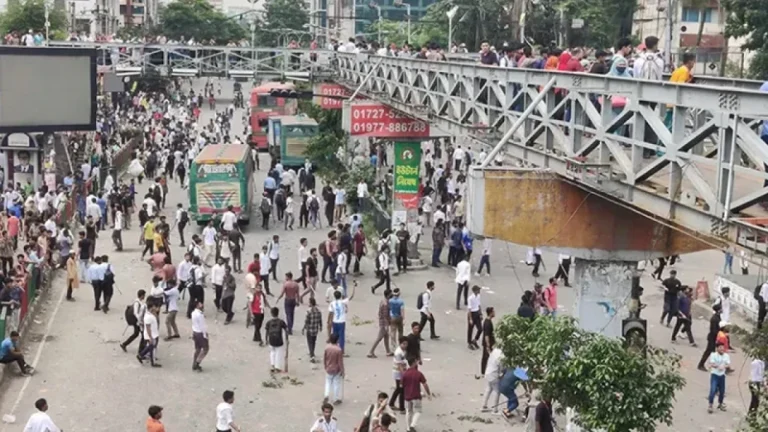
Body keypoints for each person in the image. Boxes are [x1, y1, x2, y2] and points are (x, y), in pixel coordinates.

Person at [402, 356, 432, 431]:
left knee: (408, 411)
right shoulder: (418, 373)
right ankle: (412, 425)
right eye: (416, 361)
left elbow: (401, 385)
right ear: (414, 363)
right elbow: (425, 384)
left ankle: (408, 428)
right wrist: (428, 394)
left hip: (407, 396)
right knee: (418, 411)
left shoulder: (405, 374)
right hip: (416, 396)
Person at [328, 281, 356, 352]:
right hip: (342, 321)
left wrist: (329, 321)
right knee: (341, 336)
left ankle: (333, 348)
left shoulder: (332, 303)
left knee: (335, 335)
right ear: (340, 296)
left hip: (335, 321)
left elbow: (331, 313)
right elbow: (351, 296)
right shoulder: (343, 302)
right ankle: (341, 350)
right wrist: (354, 287)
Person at [706, 342, 730, 414]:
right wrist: (718, 366)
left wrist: (724, 367)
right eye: (720, 347)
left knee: (722, 391)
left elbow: (728, 364)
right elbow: (712, 363)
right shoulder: (713, 355)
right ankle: (710, 405)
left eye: (723, 347)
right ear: (717, 348)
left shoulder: (726, 356)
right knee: (713, 390)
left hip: (722, 375)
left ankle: (720, 403)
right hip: (715, 375)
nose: (722, 349)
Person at [368, 288, 392, 358]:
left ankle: (388, 351)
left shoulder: (383, 301)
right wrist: (386, 325)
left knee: (386, 337)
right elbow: (385, 315)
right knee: (379, 338)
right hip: (384, 323)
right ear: (388, 295)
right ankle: (371, 352)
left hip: (383, 322)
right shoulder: (385, 304)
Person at [265, 306, 289, 373]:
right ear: (278, 313)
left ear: (271, 313)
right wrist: (287, 339)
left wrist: (266, 339)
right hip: (279, 340)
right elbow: (286, 330)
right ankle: (277, 367)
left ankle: (272, 365)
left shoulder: (269, 322)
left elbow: (267, 332)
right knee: (279, 353)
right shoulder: (281, 322)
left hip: (271, 340)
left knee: (272, 352)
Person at [137, 303, 161, 367]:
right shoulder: (148, 317)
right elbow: (148, 328)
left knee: (151, 347)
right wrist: (150, 337)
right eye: (154, 307)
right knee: (152, 347)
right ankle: (151, 361)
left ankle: (141, 355)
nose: (156, 308)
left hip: (154, 334)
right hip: (151, 335)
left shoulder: (151, 314)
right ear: (151, 307)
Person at [323, 332, 344, 404]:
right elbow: (340, 362)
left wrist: (325, 366)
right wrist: (342, 371)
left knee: (328, 383)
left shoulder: (327, 348)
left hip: (328, 368)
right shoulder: (338, 350)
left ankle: (326, 395)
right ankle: (336, 399)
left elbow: (325, 358)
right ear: (337, 340)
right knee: (336, 384)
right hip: (336, 369)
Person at [481, 346, 504, 413]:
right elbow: (501, 368)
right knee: (497, 391)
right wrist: (501, 374)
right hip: (494, 374)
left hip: (488, 372)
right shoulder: (502, 356)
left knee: (488, 389)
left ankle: (484, 405)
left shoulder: (495, 350)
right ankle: (495, 409)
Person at [389, 336, 408, 412]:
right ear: (400, 343)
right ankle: (402, 408)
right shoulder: (398, 353)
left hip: (401, 371)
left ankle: (391, 403)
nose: (405, 345)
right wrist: (403, 375)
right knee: (401, 390)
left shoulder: (403, 350)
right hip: (398, 373)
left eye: (406, 344)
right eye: (404, 344)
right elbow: (399, 365)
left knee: (398, 389)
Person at [302, 296, 323, 362]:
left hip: (310, 329)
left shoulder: (309, 311)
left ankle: (312, 355)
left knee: (309, 342)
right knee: (313, 341)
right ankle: (312, 352)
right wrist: (321, 326)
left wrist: (303, 328)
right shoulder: (318, 311)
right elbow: (320, 320)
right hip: (315, 329)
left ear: (311, 303)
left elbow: (306, 321)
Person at [191, 299, 209, 372]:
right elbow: (202, 326)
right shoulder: (200, 315)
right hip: (200, 333)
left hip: (195, 332)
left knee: (198, 348)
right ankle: (197, 362)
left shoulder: (193, 313)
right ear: (197, 305)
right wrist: (205, 335)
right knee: (205, 349)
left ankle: (194, 362)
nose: (202, 304)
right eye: (200, 303)